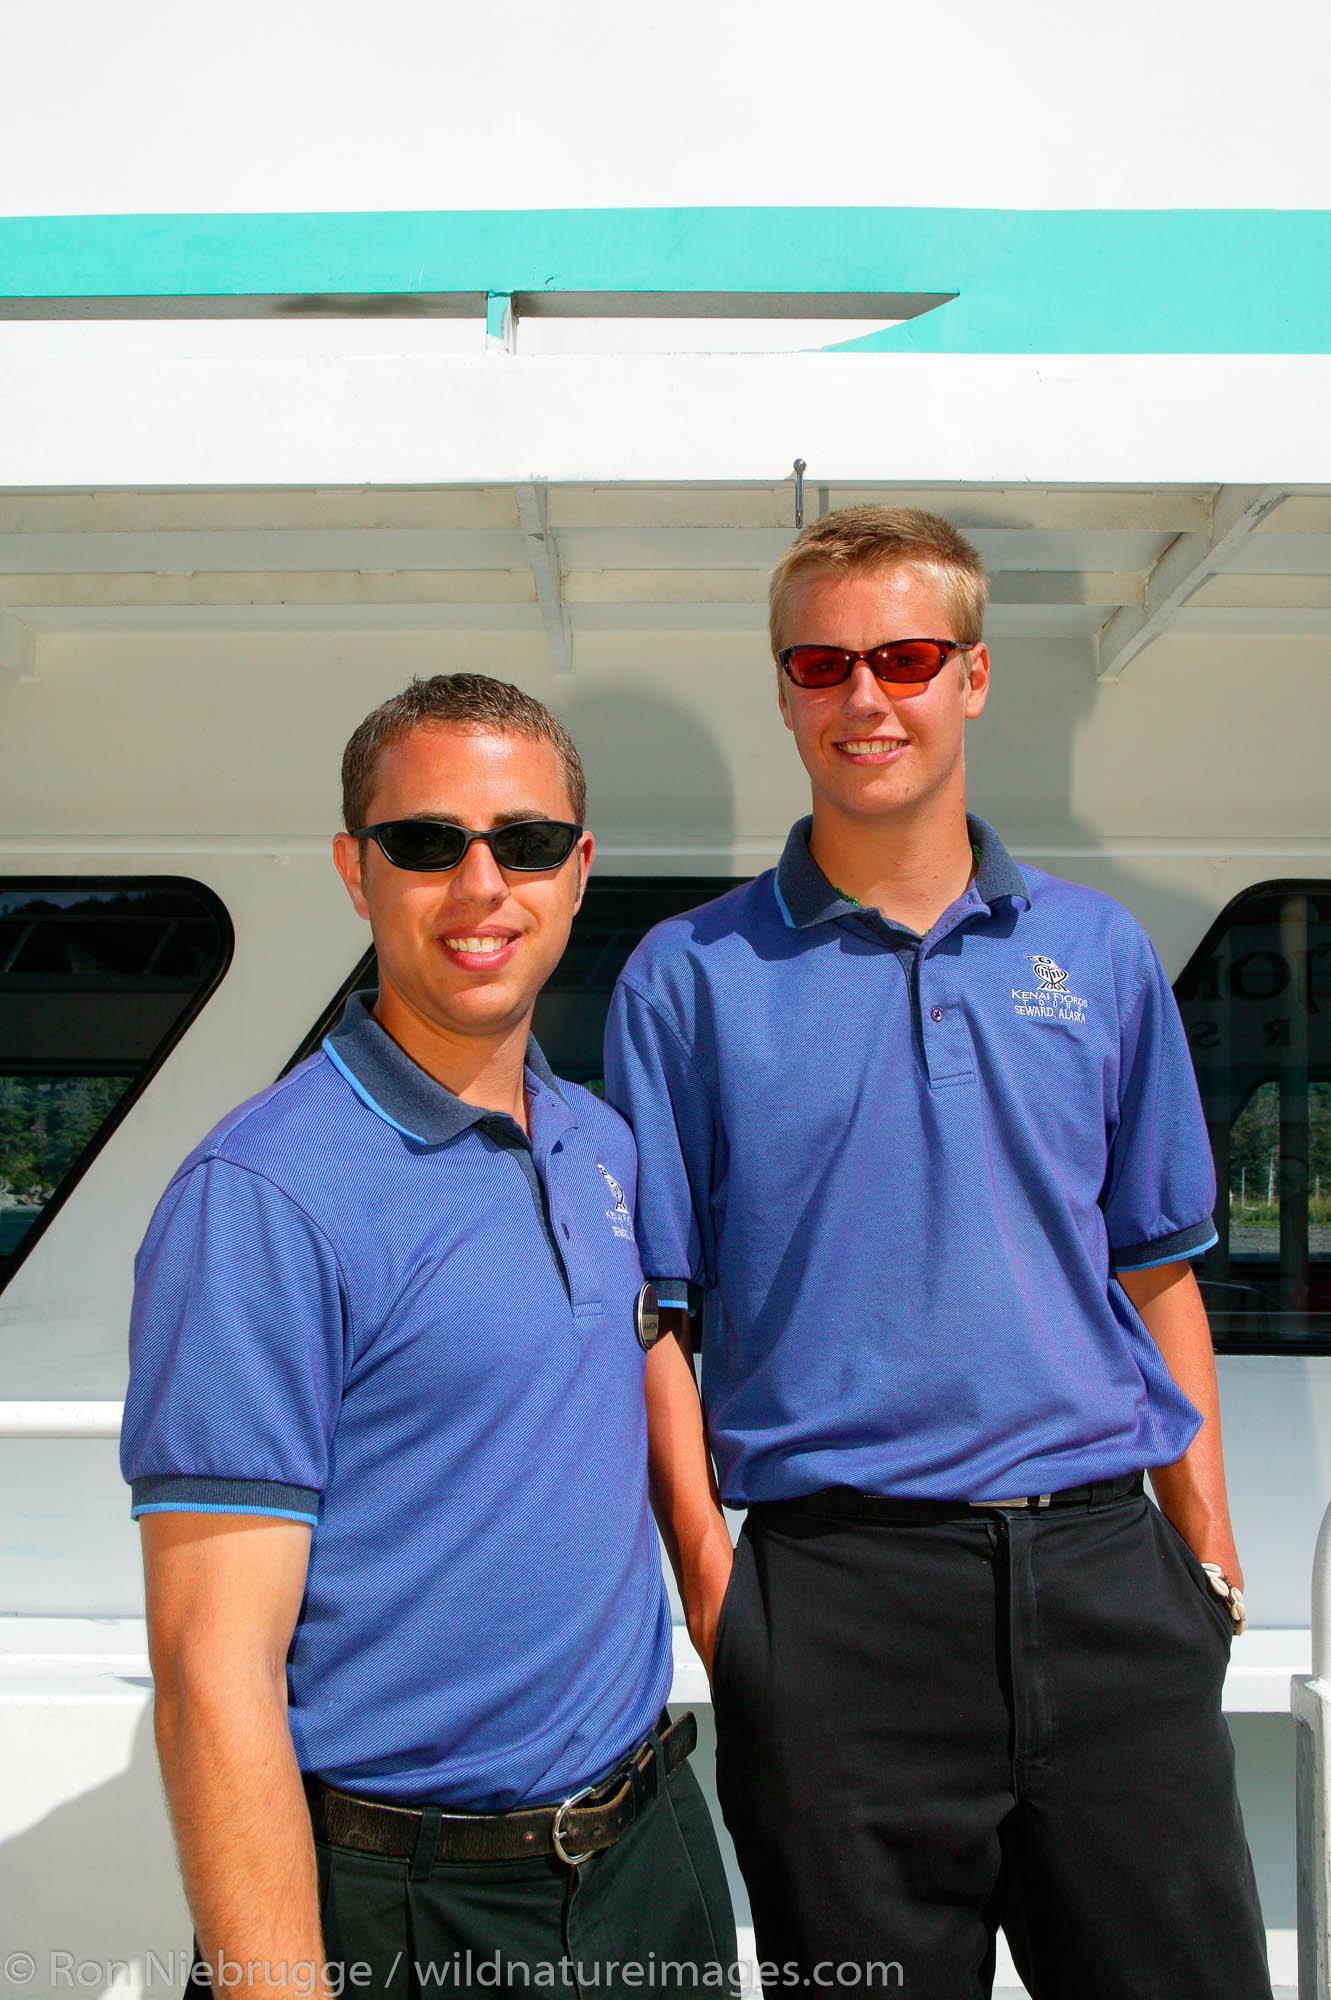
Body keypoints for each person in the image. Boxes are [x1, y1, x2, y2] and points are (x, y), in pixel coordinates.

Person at [604, 508, 1273, 2000]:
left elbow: (1159, 1273)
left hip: (1110, 1578)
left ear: (972, 677)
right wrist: (728, 1605)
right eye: (822, 664)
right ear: (783, 692)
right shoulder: (689, 981)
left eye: (904, 658)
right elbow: (656, 1320)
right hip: (837, 1603)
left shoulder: (1096, 956)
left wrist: (1206, 1558)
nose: (865, 698)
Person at [121, 673, 736, 2000]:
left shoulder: (598, 1144)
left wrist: (716, 1575)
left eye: (522, 842)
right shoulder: (264, 1196)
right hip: (408, 1902)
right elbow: (209, 1665)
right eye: (424, 842)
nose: (480, 883)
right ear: (357, 870)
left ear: (577, 874)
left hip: (654, 1852)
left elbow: (628, 1358)